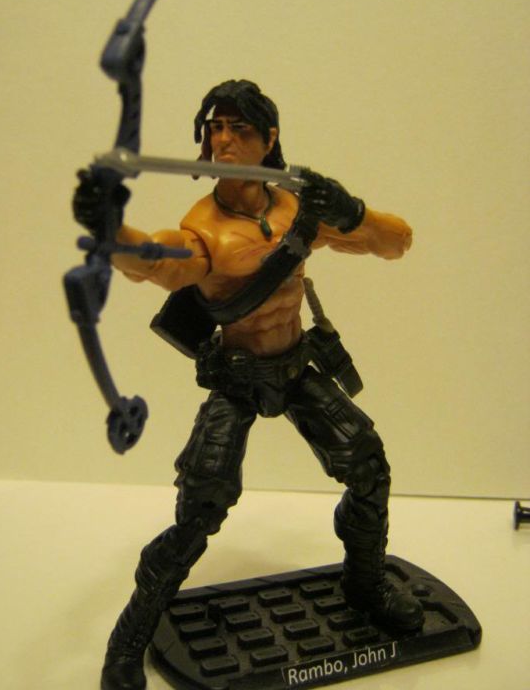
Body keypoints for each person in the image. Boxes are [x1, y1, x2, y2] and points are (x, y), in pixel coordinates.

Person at [73, 79, 423, 690]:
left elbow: (396, 242)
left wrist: (351, 211)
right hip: (238, 379)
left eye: (239, 128)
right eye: (215, 128)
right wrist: (111, 231)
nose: (223, 139)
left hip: (296, 366)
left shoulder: (296, 210)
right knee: (200, 509)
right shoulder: (205, 230)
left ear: (270, 138)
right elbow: (153, 262)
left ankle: (364, 583)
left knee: (368, 466)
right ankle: (129, 638)